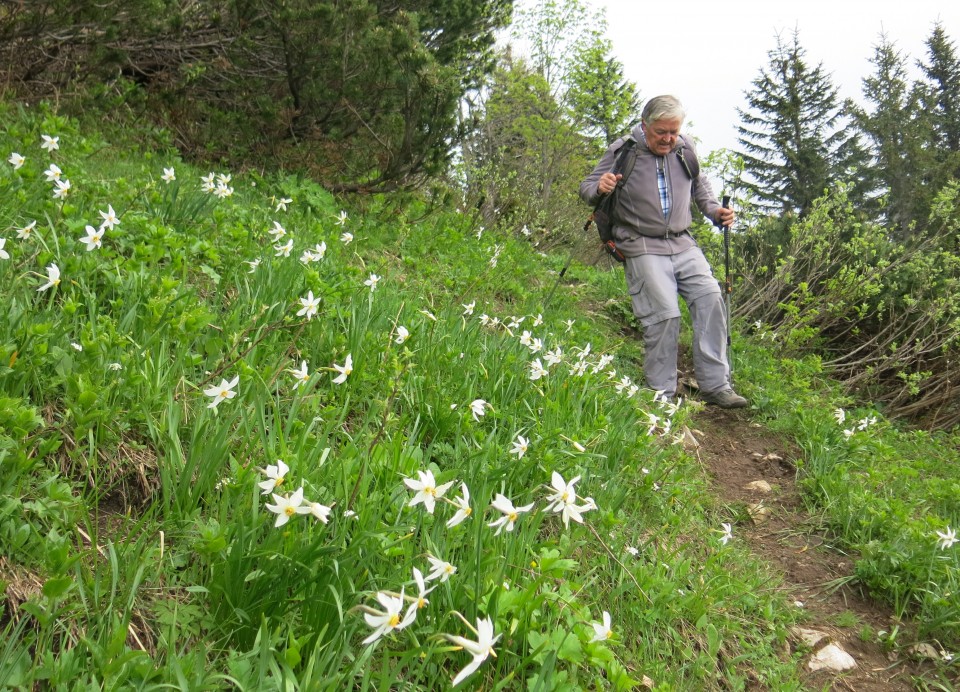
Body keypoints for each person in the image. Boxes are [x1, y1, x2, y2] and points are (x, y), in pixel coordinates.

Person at [579, 95, 747, 408]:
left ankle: (715, 385)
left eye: (674, 131)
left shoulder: (685, 148)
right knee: (664, 315)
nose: (668, 139)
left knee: (711, 298)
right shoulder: (624, 150)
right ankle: (660, 394)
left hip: (682, 242)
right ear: (646, 126)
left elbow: (700, 188)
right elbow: (587, 188)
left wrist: (715, 212)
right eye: (661, 132)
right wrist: (600, 186)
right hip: (640, 243)